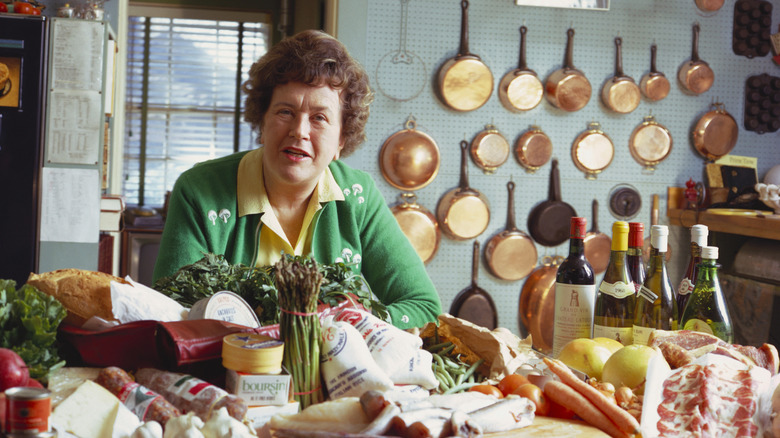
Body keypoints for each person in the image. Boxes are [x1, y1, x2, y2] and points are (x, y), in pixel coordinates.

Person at [152, 29, 442, 329]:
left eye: (319, 117)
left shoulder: (359, 197)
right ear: (262, 122)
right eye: (285, 112)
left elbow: (424, 307)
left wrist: (354, 323)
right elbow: (170, 310)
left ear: (342, 138)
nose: (299, 131)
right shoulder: (200, 190)